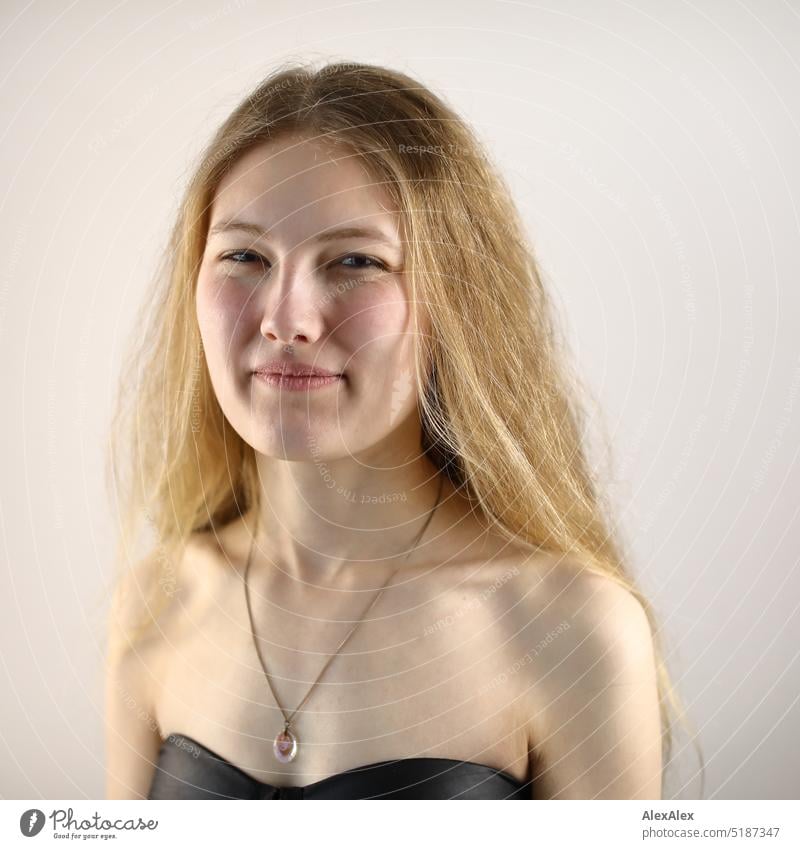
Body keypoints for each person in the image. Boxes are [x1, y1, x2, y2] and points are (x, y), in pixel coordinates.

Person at [104, 60, 679, 800]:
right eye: (245, 256)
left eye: (355, 261)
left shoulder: (572, 628)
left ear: (455, 305)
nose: (287, 319)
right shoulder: (155, 603)